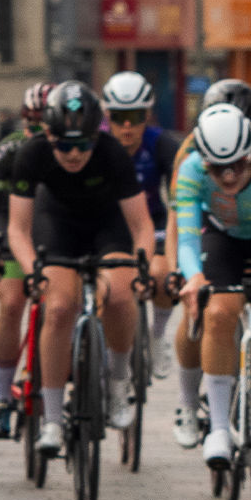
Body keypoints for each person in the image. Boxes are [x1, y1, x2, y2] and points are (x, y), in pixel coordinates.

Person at [6, 83, 156, 456]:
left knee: (121, 297)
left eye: (83, 145)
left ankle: (119, 381)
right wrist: (31, 270)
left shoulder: (112, 154)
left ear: (95, 137)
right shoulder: (32, 154)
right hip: (57, 225)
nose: (74, 154)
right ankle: (53, 420)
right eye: (64, 145)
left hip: (107, 226)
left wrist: (141, 267)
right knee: (58, 309)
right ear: (48, 136)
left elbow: (141, 226)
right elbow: (17, 229)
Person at [175, 103, 251, 480]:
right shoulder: (191, 170)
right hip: (221, 238)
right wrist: (193, 277)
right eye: (216, 168)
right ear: (202, 160)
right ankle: (220, 430)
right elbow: (188, 238)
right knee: (217, 313)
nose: (227, 178)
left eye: (237, 167)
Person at [0, 83, 51, 437]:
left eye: (44, 121)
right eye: (31, 121)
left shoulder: (69, 149)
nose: (37, 128)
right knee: (11, 304)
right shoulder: (8, 150)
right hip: (14, 238)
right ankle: (1, 394)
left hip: (55, 240)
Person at [102, 71, 182, 366]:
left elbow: (179, 194)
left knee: (162, 278)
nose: (126, 126)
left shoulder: (161, 144)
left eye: (135, 117)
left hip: (153, 223)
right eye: (119, 116)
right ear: (107, 116)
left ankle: (157, 334)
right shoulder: (95, 143)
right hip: (108, 227)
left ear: (147, 115)